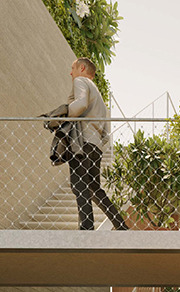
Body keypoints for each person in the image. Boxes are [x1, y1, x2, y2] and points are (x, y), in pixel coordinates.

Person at [65, 58, 128, 230]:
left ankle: (87, 229)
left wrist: (62, 114)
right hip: (96, 147)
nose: (71, 73)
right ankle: (121, 226)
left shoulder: (80, 81)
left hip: (81, 142)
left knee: (78, 184)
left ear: (82, 68)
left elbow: (81, 104)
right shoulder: (100, 97)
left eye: (73, 68)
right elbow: (107, 134)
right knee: (94, 188)